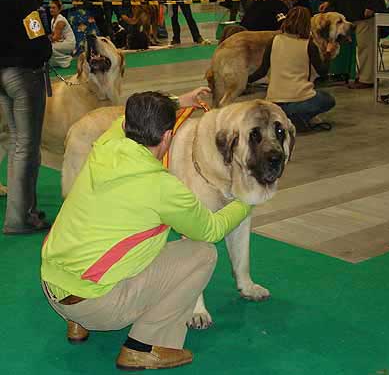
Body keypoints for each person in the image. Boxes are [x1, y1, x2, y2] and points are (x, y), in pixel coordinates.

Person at [41, 88, 253, 371]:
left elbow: (122, 121)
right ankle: (144, 346)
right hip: (96, 305)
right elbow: (212, 230)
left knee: (111, 240)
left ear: (128, 126)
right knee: (201, 253)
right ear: (167, 137)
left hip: (52, 285)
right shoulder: (163, 187)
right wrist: (246, 199)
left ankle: (77, 324)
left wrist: (179, 101)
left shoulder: (106, 146)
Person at [0, 0, 52, 234]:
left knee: (17, 144)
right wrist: (46, 50)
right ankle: (22, 218)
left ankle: (20, 213)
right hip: (23, 76)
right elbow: (36, 36)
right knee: (27, 148)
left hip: (2, 77)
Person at [266, 7, 335, 130]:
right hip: (298, 99)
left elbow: (262, 70)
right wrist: (328, 53)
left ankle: (283, 115)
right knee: (327, 99)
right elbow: (323, 72)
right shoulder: (309, 45)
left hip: (273, 101)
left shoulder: (273, 40)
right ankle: (296, 116)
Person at [48, 0, 76, 68]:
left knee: (49, 47)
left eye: (54, 8)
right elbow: (53, 35)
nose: (51, 10)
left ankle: (66, 60)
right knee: (48, 46)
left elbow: (55, 38)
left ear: (59, 9)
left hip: (69, 43)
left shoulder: (60, 21)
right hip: (62, 42)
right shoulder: (53, 20)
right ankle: (58, 63)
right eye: (50, 8)